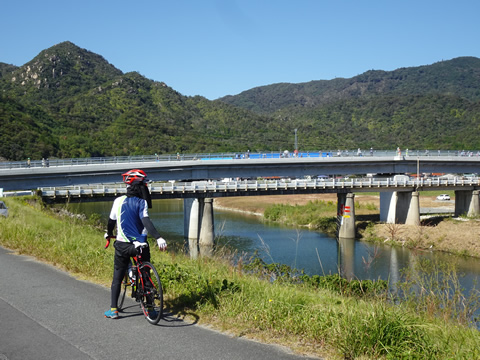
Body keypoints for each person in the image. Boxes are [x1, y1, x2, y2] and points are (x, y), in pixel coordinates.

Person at [104, 169, 167, 319]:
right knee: (146, 275)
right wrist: (158, 237)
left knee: (117, 278)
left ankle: (113, 310)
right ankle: (151, 309)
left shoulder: (118, 201)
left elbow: (111, 222)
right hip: (140, 246)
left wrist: (108, 233)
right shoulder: (142, 202)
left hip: (122, 245)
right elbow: (146, 220)